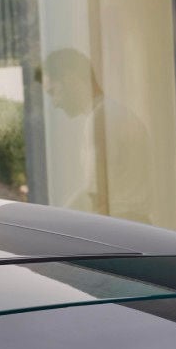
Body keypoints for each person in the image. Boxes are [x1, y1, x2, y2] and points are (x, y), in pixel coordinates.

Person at [42, 48, 150, 223]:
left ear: (70, 79)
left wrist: (52, 224)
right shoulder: (112, 113)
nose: (54, 103)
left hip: (122, 230)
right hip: (131, 227)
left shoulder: (100, 120)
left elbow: (94, 196)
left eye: (53, 91)